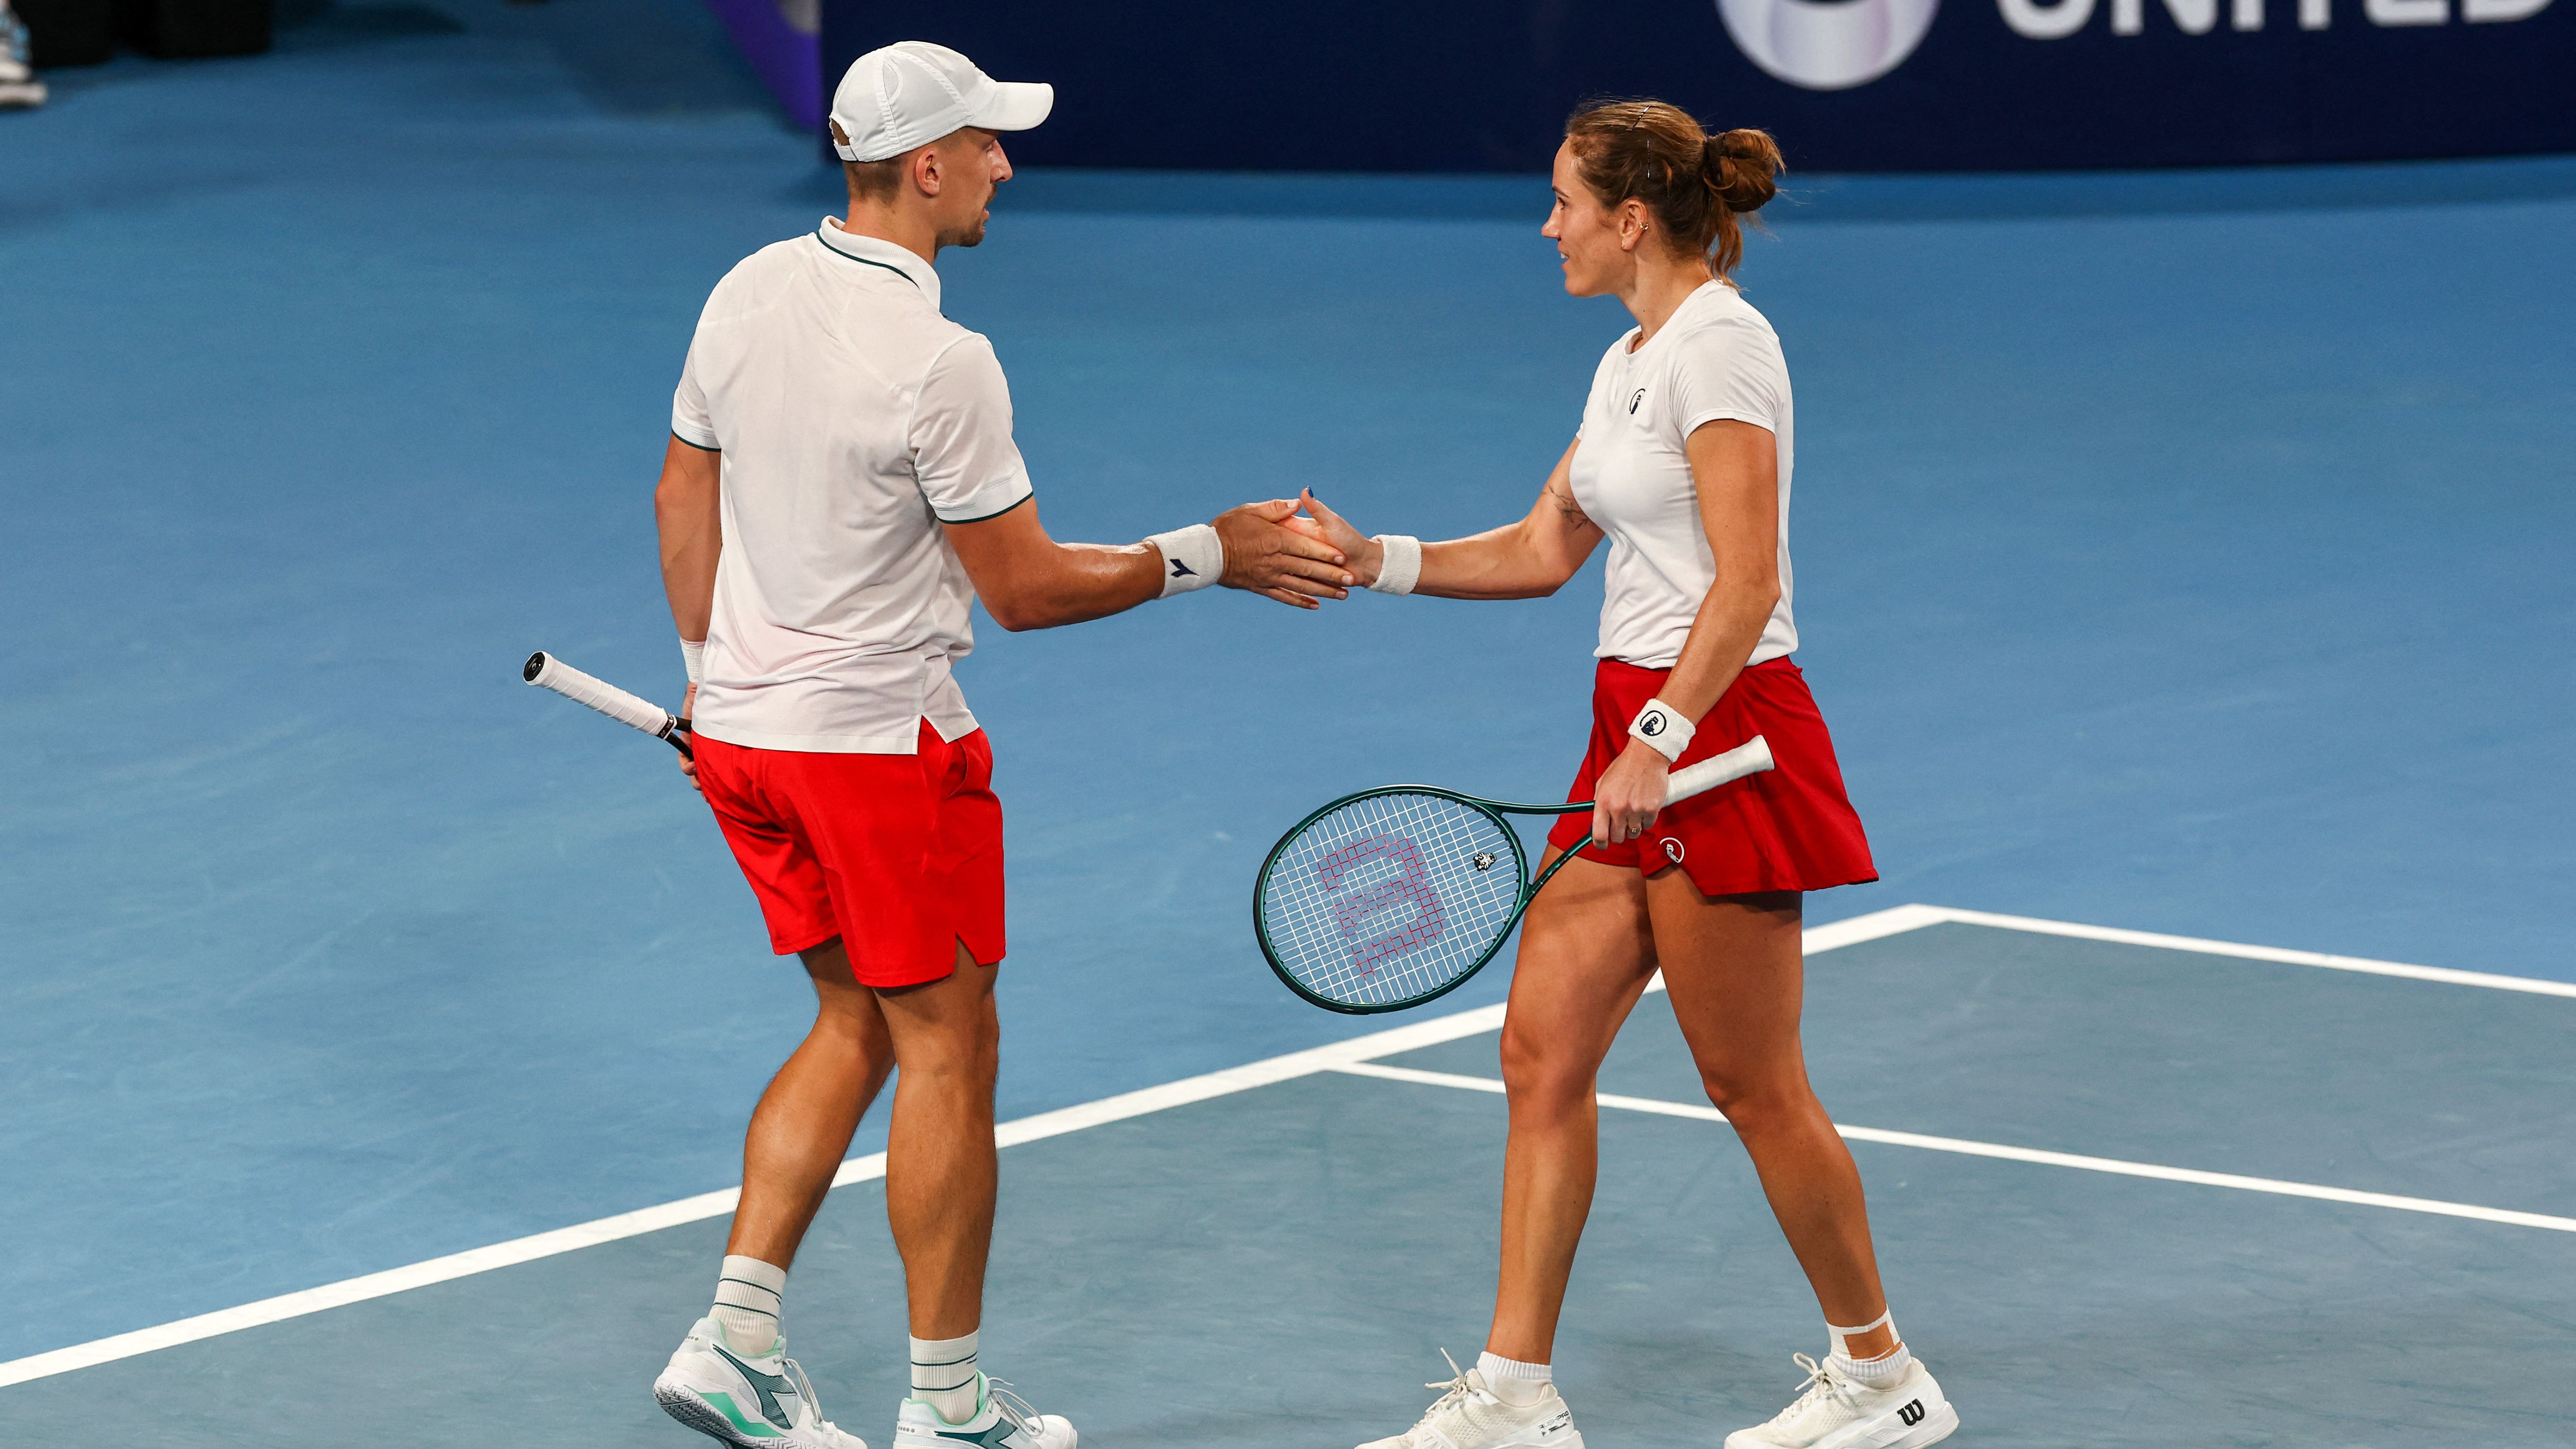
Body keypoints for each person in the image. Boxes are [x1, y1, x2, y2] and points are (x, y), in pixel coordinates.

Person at [648, 41, 1353, 1449]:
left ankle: (734, 1340)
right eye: (985, 145)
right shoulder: (940, 362)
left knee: (853, 1018)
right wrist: (1208, 552)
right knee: (949, 1046)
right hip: (878, 757)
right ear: (925, 168)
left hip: (747, 740)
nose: (1004, 166)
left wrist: (712, 689)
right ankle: (950, 1408)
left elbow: (683, 493)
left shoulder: (746, 289)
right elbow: (1024, 591)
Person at [1297, 100, 1958, 1449]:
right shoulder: (1629, 358)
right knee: (1540, 1055)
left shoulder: (1723, 350)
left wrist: (1660, 743)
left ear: (1630, 218)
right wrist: (1380, 560)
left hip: (1717, 735)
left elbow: (1749, 576)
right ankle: (1515, 1396)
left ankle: (1886, 1379)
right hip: (1638, 733)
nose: (1547, 227)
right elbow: (1545, 548)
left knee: (1749, 1081)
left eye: (1562, 203)